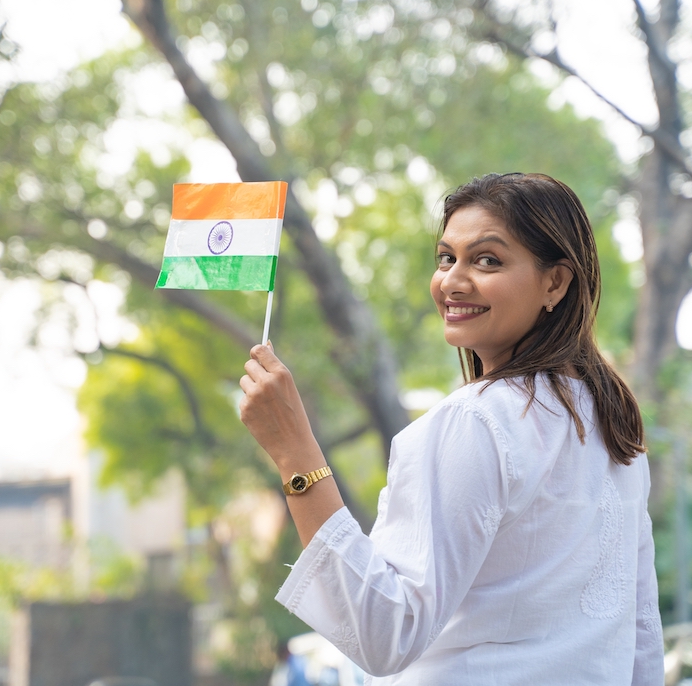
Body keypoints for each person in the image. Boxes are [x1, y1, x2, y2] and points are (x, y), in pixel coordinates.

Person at [239, 173, 664, 685]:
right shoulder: (613, 425)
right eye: (447, 258)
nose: (453, 281)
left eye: (488, 260)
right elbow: (641, 639)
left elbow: (383, 633)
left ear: (556, 282)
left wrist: (294, 452)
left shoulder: (476, 421)